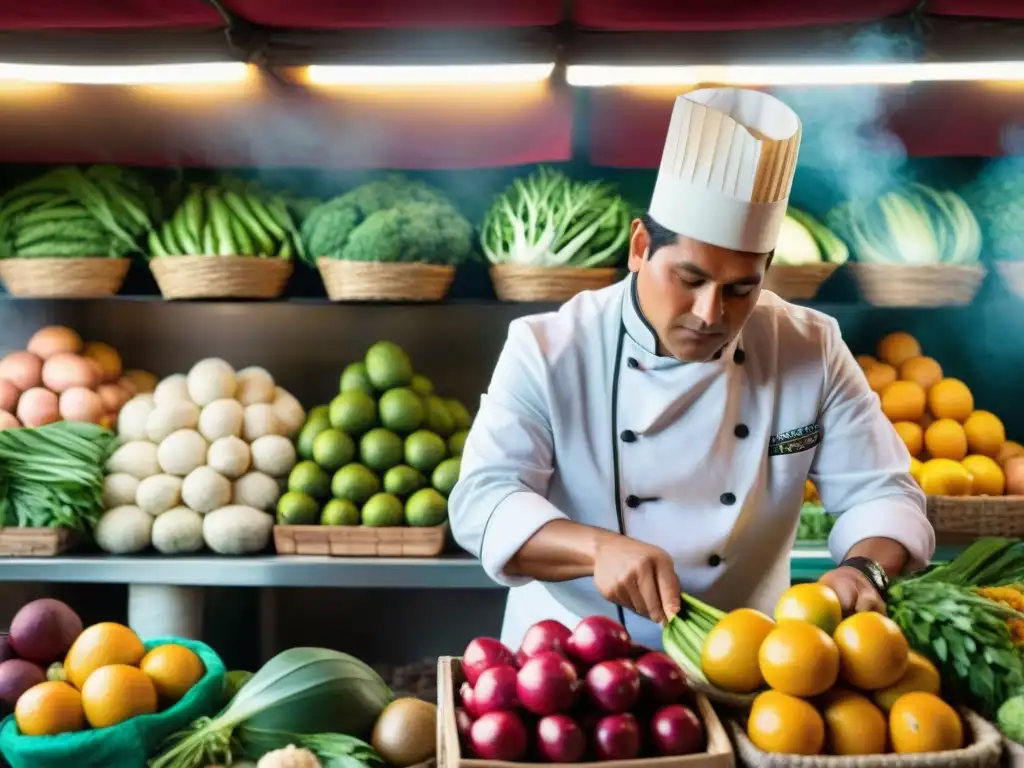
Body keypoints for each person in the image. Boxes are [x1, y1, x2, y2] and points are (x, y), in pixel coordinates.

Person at [448, 87, 934, 652]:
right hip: (567, 665)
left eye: (741, 288)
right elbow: (482, 500)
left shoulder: (809, 346)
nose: (711, 314)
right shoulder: (550, 347)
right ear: (638, 248)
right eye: (690, 279)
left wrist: (864, 570)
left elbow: (883, 493)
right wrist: (596, 548)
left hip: (753, 663)